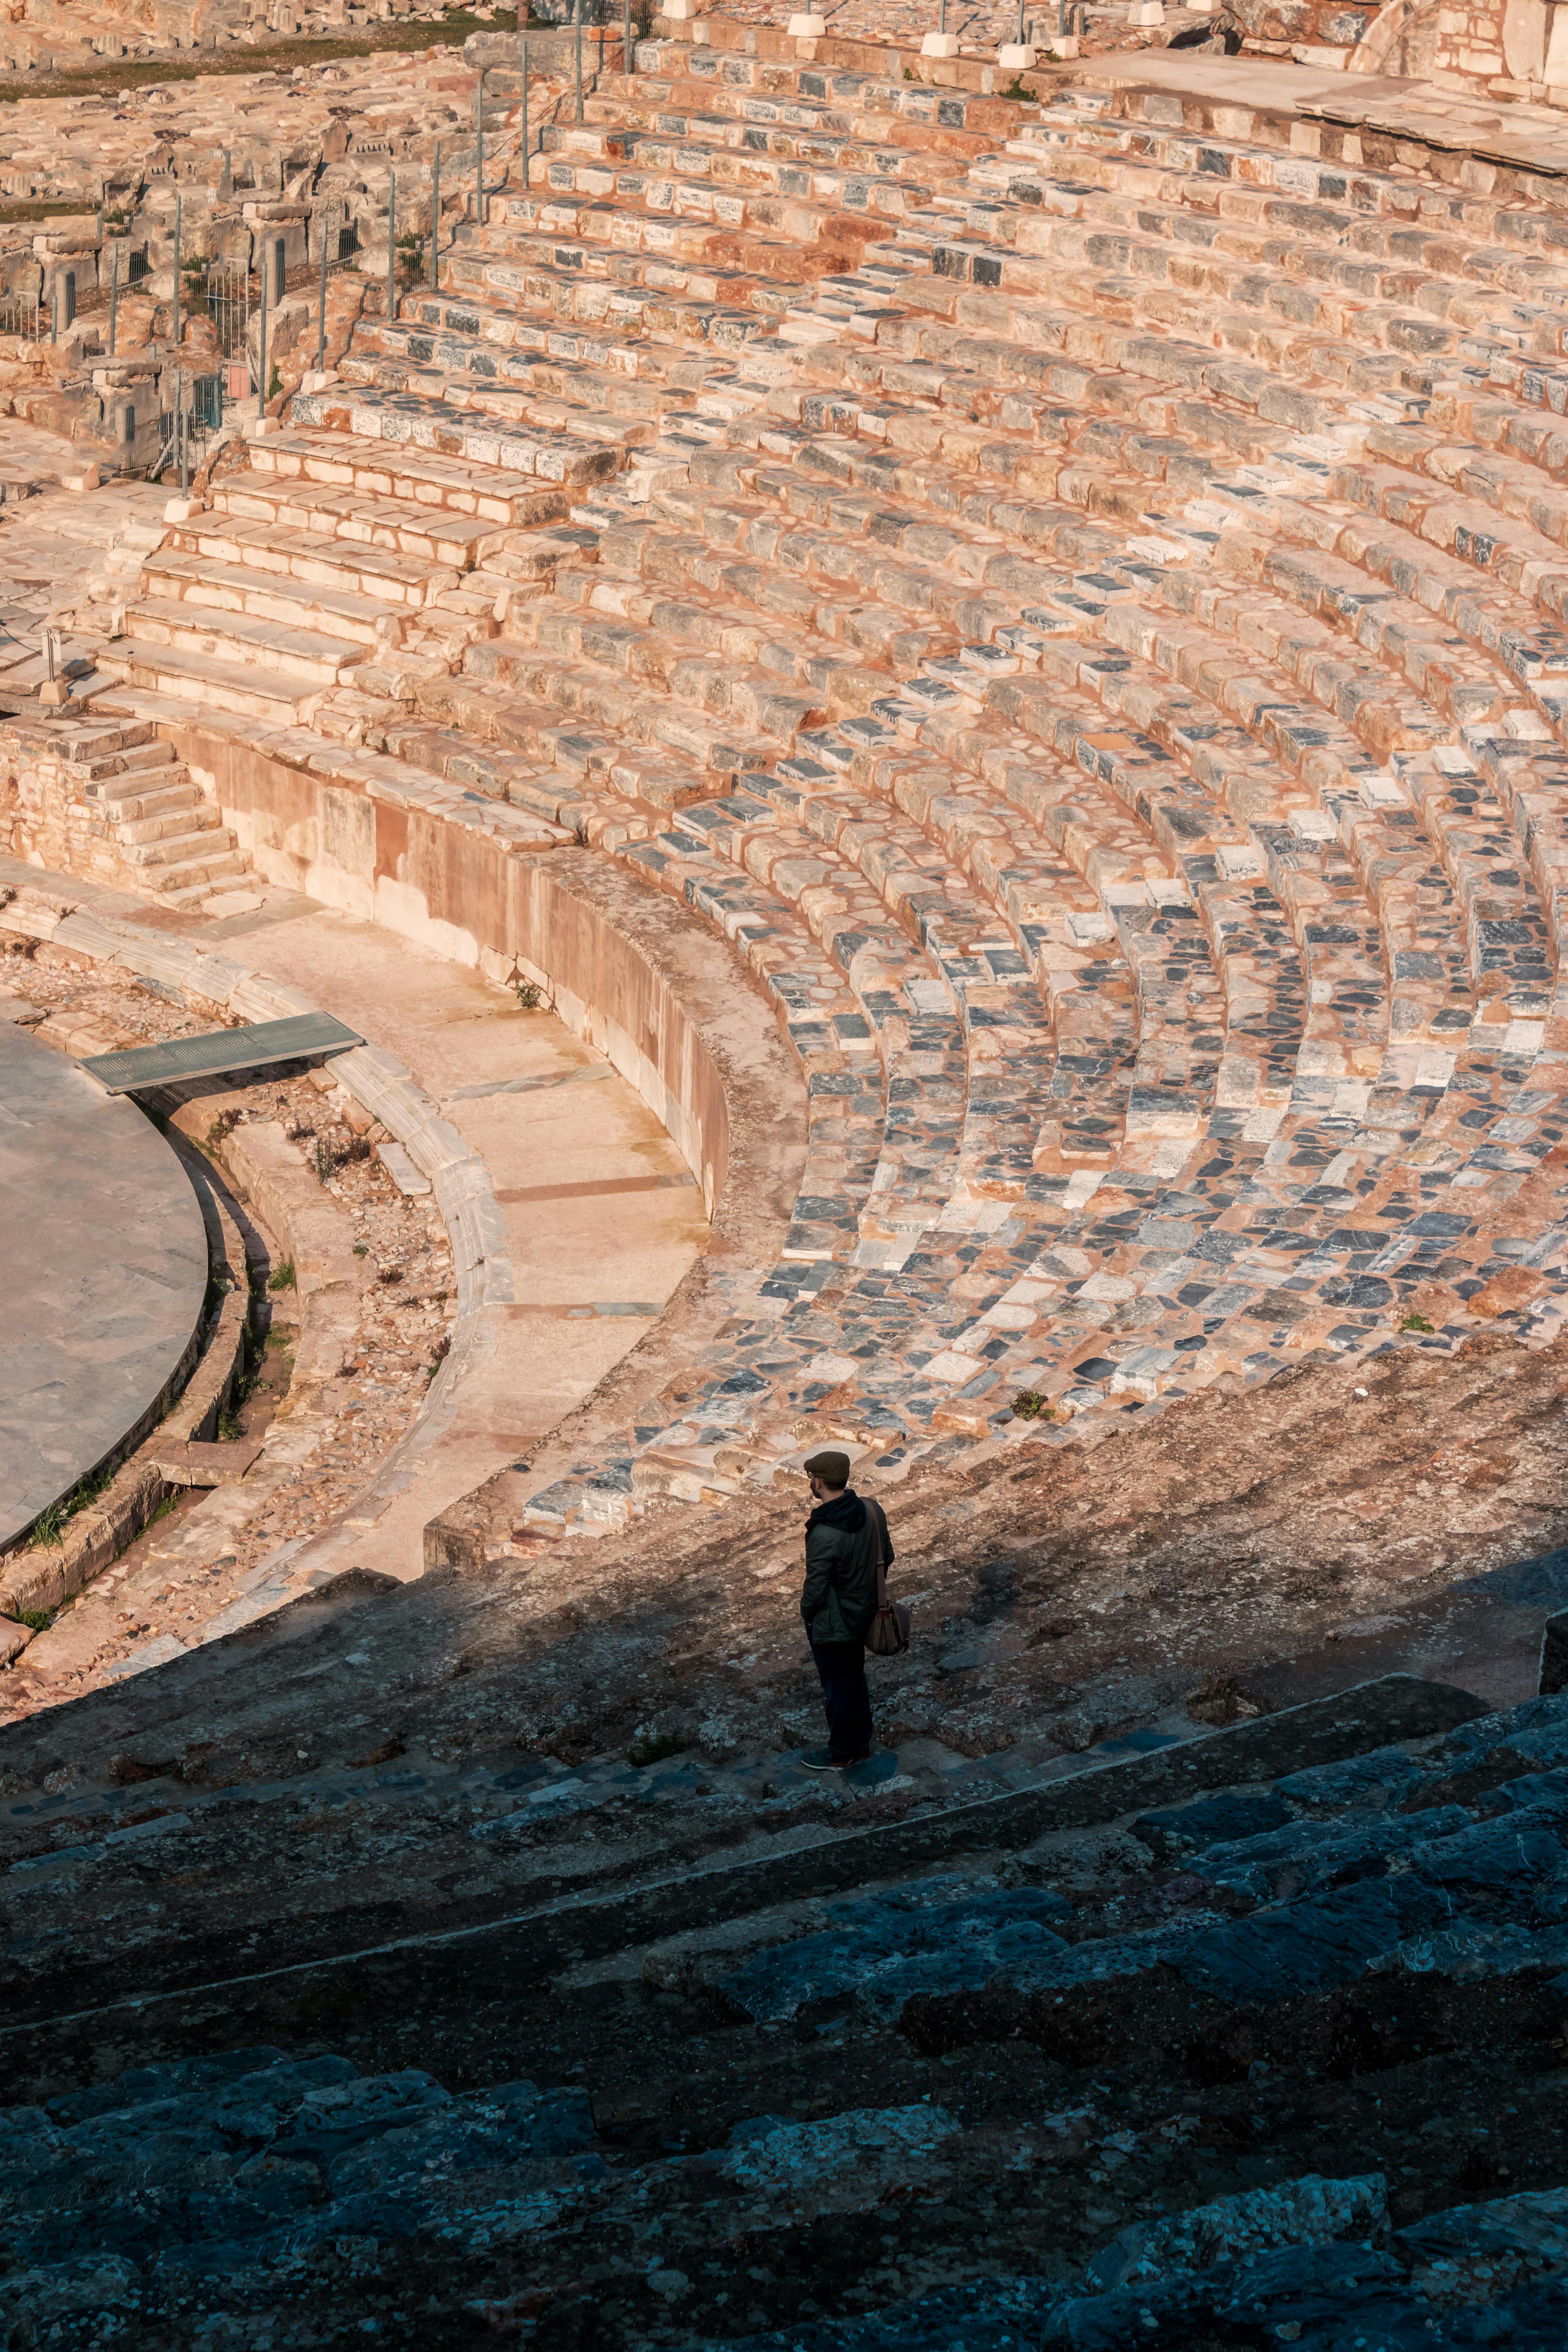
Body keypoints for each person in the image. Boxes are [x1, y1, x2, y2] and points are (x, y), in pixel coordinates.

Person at [798, 1448, 893, 1771]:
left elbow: (815, 1587)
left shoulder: (824, 1533)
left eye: (812, 1478)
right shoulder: (871, 1509)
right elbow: (887, 1557)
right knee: (855, 1678)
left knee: (837, 1686)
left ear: (819, 1482)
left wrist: (807, 1614)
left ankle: (840, 1753)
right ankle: (861, 1746)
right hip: (865, 1612)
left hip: (832, 1620)